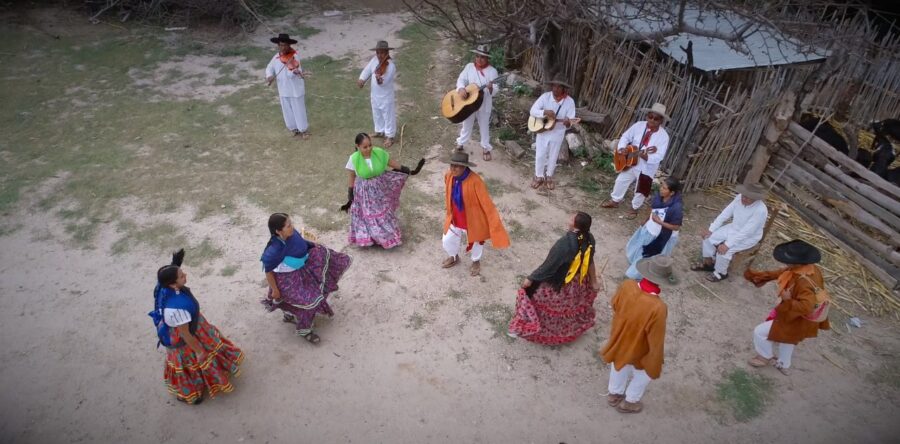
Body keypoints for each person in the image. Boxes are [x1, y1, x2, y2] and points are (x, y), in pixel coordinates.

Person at [149, 249, 243, 405]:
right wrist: (199, 351)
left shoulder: (163, 287)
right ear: (173, 284)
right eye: (181, 276)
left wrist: (175, 264)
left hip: (192, 325)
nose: (185, 275)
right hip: (187, 340)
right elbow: (185, 334)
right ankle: (190, 394)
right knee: (192, 365)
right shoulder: (176, 309)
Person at [507, 211, 601, 345]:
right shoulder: (589, 238)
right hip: (577, 284)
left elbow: (549, 266)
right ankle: (562, 333)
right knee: (567, 310)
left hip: (559, 283)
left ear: (575, 227)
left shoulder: (564, 244)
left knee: (534, 301)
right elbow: (590, 261)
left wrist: (531, 278)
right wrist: (593, 281)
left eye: (571, 219)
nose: (568, 220)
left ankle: (521, 328)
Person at [260, 213, 352, 344]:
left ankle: (290, 314)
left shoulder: (292, 234)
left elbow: (302, 243)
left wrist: (314, 246)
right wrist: (275, 290)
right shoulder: (273, 251)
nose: (292, 227)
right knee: (308, 302)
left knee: (319, 285)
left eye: (291, 223)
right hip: (288, 280)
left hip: (303, 270)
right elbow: (268, 272)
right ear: (278, 231)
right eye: (288, 225)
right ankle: (304, 330)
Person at [745, 240, 830, 376]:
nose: (785, 263)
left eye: (788, 260)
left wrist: (788, 299)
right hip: (799, 317)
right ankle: (784, 364)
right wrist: (760, 276)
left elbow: (806, 306)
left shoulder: (803, 282)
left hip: (797, 316)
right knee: (789, 338)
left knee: (759, 332)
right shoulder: (808, 269)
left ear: (796, 263)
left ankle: (765, 356)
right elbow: (782, 272)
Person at [600, 255, 672, 414]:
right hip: (640, 346)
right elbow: (656, 337)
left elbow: (614, 304)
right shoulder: (658, 307)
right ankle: (630, 401)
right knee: (644, 372)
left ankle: (614, 393)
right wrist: (655, 358)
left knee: (619, 362)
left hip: (621, 336)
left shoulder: (627, 285)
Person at [341, 133, 425, 248]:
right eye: (365, 147)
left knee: (382, 212)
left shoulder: (378, 153)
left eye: (370, 145)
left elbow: (391, 163)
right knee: (368, 214)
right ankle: (371, 237)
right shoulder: (354, 159)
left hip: (380, 188)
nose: (369, 149)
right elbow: (351, 177)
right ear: (358, 146)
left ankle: (386, 237)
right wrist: (350, 193)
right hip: (364, 192)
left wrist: (405, 169)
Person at [441, 151, 510, 276]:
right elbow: (448, 189)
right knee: (447, 240)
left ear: (464, 167)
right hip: (455, 217)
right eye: (451, 165)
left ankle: (476, 261)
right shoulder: (449, 175)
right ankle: (454, 256)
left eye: (456, 166)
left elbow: (486, 203)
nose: (453, 168)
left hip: (472, 219)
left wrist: (492, 221)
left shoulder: (476, 181)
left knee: (477, 241)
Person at [601, 103, 671, 219]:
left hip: (646, 167)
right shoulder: (639, 125)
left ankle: (634, 208)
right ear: (647, 116)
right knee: (621, 180)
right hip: (630, 160)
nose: (652, 120)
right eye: (650, 117)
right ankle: (615, 200)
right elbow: (625, 136)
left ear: (661, 121)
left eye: (656, 118)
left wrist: (646, 157)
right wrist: (622, 148)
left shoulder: (663, 136)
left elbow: (660, 155)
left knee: (641, 189)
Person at [691, 181, 768, 282]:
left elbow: (746, 232)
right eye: (743, 195)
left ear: (755, 198)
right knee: (708, 238)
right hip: (733, 227)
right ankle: (708, 264)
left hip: (749, 237)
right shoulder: (739, 197)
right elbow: (725, 213)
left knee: (724, 251)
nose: (743, 198)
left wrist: (727, 244)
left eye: (747, 197)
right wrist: (711, 229)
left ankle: (720, 273)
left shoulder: (760, 210)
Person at [624, 177, 683, 280]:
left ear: (672, 193)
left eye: (664, 188)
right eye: (662, 186)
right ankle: (635, 265)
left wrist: (659, 222)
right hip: (650, 229)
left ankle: (634, 275)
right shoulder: (659, 197)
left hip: (661, 237)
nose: (661, 189)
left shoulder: (676, 208)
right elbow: (652, 208)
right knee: (640, 248)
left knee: (648, 256)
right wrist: (646, 220)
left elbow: (676, 226)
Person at [529, 78, 577, 190]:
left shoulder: (569, 101)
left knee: (553, 155)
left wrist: (568, 122)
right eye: (554, 86)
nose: (556, 89)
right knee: (540, 154)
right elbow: (532, 111)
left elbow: (571, 119)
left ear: (564, 88)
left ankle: (549, 176)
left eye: (559, 87)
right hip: (543, 130)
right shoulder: (545, 97)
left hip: (558, 132)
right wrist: (544, 112)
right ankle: (539, 176)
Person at [455, 44, 499, 161]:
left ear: (487, 58)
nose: (479, 59)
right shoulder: (469, 67)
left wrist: (490, 88)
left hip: (484, 103)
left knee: (484, 126)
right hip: (469, 102)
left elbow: (495, 89)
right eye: (478, 56)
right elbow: (461, 79)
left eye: (483, 57)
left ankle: (485, 147)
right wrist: (461, 88)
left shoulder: (492, 71)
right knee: (466, 124)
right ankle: (461, 143)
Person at [265, 33, 309, 139]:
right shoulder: (276, 57)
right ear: (278, 45)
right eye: (281, 45)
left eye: (285, 45)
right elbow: (269, 67)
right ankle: (293, 129)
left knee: (298, 110)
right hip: (283, 89)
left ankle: (303, 130)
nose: (283, 47)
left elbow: (292, 71)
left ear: (289, 45)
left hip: (295, 90)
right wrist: (269, 76)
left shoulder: (294, 56)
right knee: (287, 110)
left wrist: (295, 72)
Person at [357, 41, 397, 147]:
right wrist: (362, 79)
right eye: (378, 52)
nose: (379, 55)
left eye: (382, 53)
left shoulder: (391, 66)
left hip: (386, 96)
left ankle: (390, 136)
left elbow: (384, 82)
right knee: (376, 113)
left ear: (387, 52)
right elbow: (367, 70)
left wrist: (379, 79)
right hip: (375, 95)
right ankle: (379, 131)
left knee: (388, 115)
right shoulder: (374, 60)